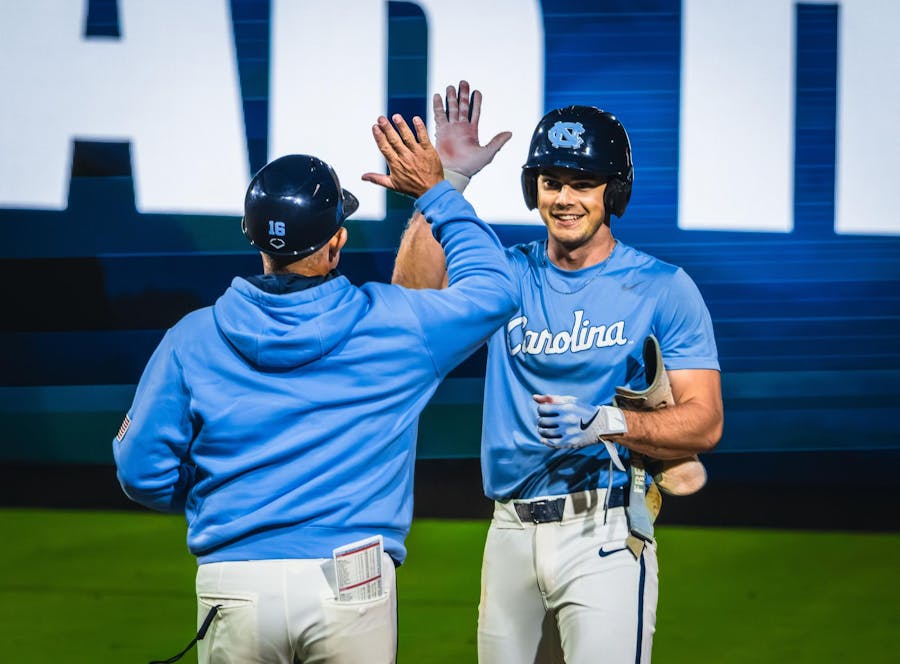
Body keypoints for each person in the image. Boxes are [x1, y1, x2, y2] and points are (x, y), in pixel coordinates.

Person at [112, 112, 517, 664]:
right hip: (352, 579)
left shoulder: (194, 337)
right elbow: (494, 290)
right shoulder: (394, 324)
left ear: (254, 237)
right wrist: (437, 194)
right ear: (337, 240)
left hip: (235, 580)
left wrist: (225, 497)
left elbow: (142, 474)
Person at [392, 81, 724, 663]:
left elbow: (704, 422)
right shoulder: (506, 275)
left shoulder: (663, 288)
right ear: (533, 189)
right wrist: (448, 184)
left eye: (582, 183)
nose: (564, 198)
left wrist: (612, 423)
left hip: (604, 531)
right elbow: (409, 305)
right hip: (509, 532)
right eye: (551, 183)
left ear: (612, 193)